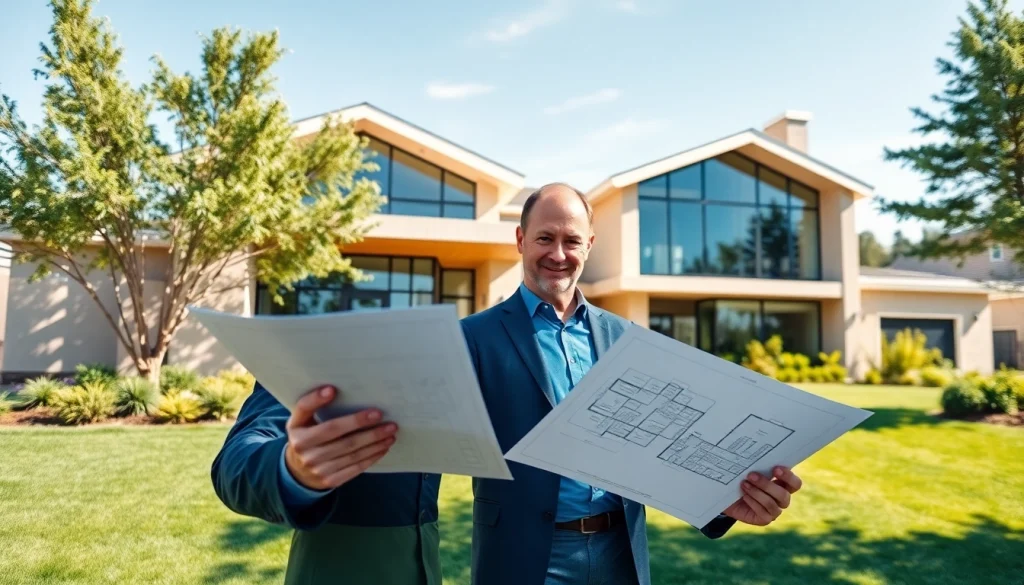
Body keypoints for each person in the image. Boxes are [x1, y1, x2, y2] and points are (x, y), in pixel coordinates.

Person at [460, 183, 804, 585]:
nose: (558, 254)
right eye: (544, 238)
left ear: (588, 245)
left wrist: (723, 506)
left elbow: (667, 444)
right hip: (522, 558)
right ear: (520, 240)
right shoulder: (473, 338)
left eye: (571, 240)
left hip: (619, 555)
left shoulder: (627, 339)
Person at [210, 381, 442, 585]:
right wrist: (291, 469)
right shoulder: (308, 345)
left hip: (428, 565)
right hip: (334, 571)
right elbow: (236, 463)